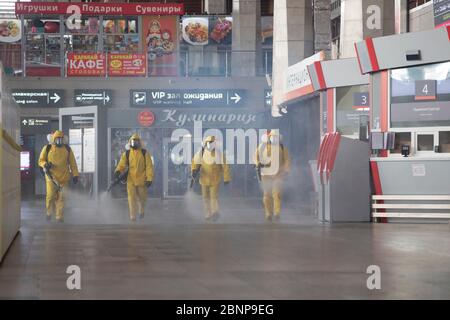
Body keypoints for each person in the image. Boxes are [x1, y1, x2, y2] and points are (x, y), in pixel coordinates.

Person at [38, 130, 79, 222]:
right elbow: (40, 160)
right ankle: (49, 212)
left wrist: (75, 175)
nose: (59, 141)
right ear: (53, 139)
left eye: (61, 139)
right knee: (50, 197)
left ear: (63, 139)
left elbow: (73, 163)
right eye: (57, 139)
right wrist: (45, 164)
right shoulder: (47, 148)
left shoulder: (67, 149)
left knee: (61, 199)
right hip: (51, 178)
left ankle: (59, 216)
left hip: (64, 178)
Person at [115, 134, 154, 221]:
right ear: (130, 142)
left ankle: (141, 211)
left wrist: (149, 178)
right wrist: (118, 171)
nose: (134, 143)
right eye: (133, 142)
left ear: (139, 142)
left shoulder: (144, 153)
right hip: (131, 180)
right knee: (131, 198)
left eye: (136, 142)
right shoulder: (127, 154)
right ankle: (133, 216)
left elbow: (149, 167)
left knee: (142, 198)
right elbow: (122, 164)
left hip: (142, 180)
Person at [191, 136, 231, 221]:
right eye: (208, 143)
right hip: (204, 179)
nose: (210, 145)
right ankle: (207, 214)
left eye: (212, 143)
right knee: (205, 197)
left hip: (215, 179)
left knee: (214, 197)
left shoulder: (219, 154)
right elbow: (194, 163)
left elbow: (225, 166)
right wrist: (194, 170)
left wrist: (226, 178)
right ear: (206, 143)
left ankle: (214, 212)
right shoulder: (201, 153)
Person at [254, 131, 290, 221]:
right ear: (268, 137)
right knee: (267, 195)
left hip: (278, 175)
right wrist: (257, 163)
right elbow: (255, 156)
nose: (274, 138)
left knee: (277, 194)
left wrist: (286, 170)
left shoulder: (282, 148)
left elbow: (287, 160)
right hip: (265, 174)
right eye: (272, 136)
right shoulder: (262, 147)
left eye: (275, 136)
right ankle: (268, 213)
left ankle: (277, 213)